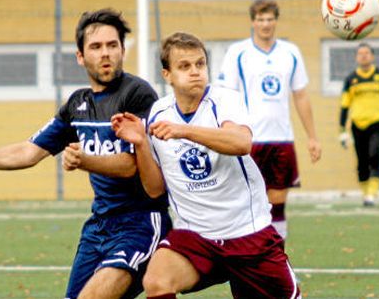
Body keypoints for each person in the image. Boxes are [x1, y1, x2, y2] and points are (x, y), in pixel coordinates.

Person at [0, 8, 171, 299]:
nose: (105, 53)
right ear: (81, 57)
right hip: (98, 228)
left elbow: (132, 165)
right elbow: (28, 152)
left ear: (123, 50)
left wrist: (85, 160)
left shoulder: (137, 94)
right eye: (96, 47)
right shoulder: (77, 104)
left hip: (140, 222)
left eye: (112, 45)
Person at [112, 32, 300, 299]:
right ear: (167, 75)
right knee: (156, 281)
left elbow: (241, 142)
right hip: (196, 237)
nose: (195, 72)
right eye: (184, 66)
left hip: (248, 234)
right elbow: (154, 190)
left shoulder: (224, 100)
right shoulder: (158, 113)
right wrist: (141, 143)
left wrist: (185, 131)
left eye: (200, 64)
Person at [215, 0, 322, 240]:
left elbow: (301, 96)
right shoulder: (237, 53)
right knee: (245, 204)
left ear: (276, 21)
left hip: (282, 139)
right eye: (260, 19)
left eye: (270, 19)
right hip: (249, 140)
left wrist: (313, 137)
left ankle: (279, 269)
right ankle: (247, 265)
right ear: (253, 22)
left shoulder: (290, 52)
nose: (265, 24)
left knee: (278, 204)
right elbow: (225, 96)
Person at [339, 43, 379, 206]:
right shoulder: (351, 79)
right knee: (362, 162)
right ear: (356, 57)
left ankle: (372, 194)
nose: (364, 56)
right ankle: (366, 193)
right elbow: (344, 105)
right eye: (360, 53)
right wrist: (342, 131)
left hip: (378, 122)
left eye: (367, 53)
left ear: (372, 56)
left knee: (375, 155)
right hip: (358, 124)